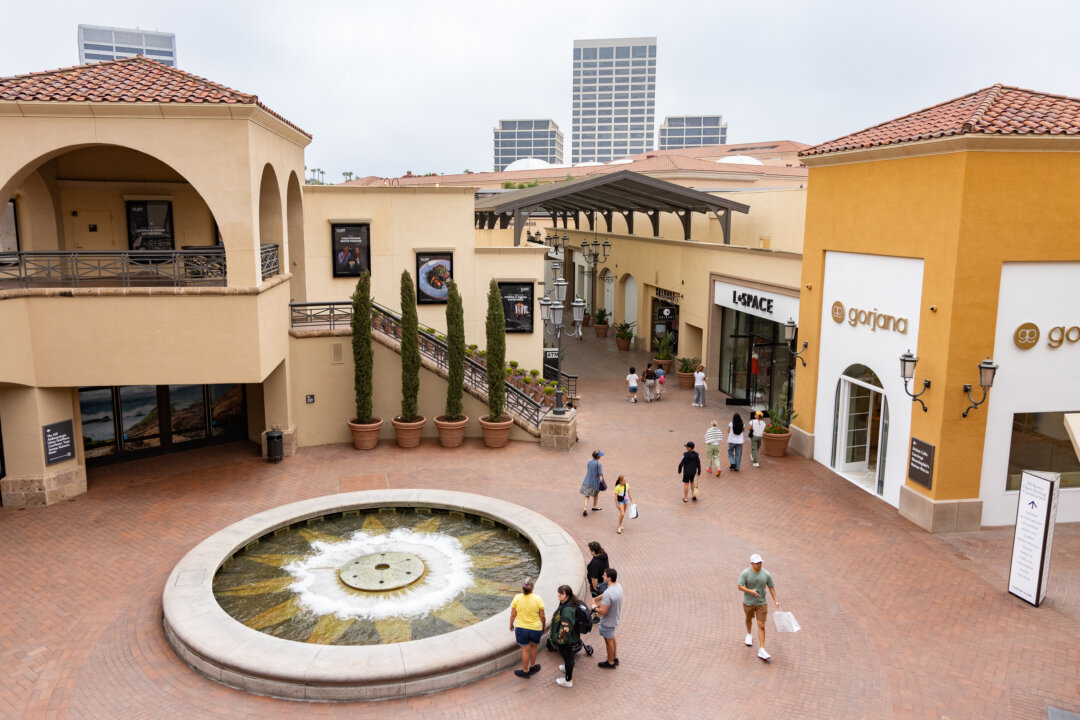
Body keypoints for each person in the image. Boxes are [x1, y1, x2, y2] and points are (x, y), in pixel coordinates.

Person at [738, 553, 781, 662]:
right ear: (751, 563)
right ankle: (749, 634)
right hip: (748, 602)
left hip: (762, 603)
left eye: (760, 562)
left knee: (761, 625)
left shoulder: (766, 574)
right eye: (757, 563)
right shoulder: (745, 574)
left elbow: (771, 587)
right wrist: (750, 591)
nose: (759, 564)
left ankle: (762, 649)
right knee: (748, 618)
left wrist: (776, 600)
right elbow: (740, 586)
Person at [509, 577, 546, 677]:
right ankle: (533, 667)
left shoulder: (517, 598)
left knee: (524, 649)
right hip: (535, 628)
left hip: (521, 628)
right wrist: (543, 626)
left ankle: (525, 671)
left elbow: (513, 614)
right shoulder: (538, 599)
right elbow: (542, 616)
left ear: (522, 588)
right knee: (534, 647)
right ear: (533, 587)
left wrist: (511, 624)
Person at [591, 568, 622, 669]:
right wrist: (596, 599)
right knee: (612, 636)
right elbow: (607, 594)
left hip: (608, 621)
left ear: (609, 578)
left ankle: (610, 662)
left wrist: (595, 608)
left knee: (608, 641)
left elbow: (603, 612)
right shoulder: (618, 586)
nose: (602, 576)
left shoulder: (609, 593)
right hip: (614, 618)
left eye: (604, 575)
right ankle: (615, 657)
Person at [550, 584, 581, 687]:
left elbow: (565, 629)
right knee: (568, 656)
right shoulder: (567, 603)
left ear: (567, 595)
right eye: (558, 592)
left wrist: (560, 641)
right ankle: (568, 665)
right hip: (570, 637)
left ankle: (568, 681)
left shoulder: (567, 611)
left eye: (561, 593)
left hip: (567, 640)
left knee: (568, 657)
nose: (559, 595)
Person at [580, 450, 605, 517]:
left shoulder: (589, 461)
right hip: (595, 482)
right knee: (596, 494)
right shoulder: (599, 464)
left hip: (587, 480)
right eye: (600, 455)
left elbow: (588, 469)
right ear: (598, 457)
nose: (601, 456)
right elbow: (600, 474)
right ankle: (594, 506)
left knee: (587, 495)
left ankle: (585, 508)